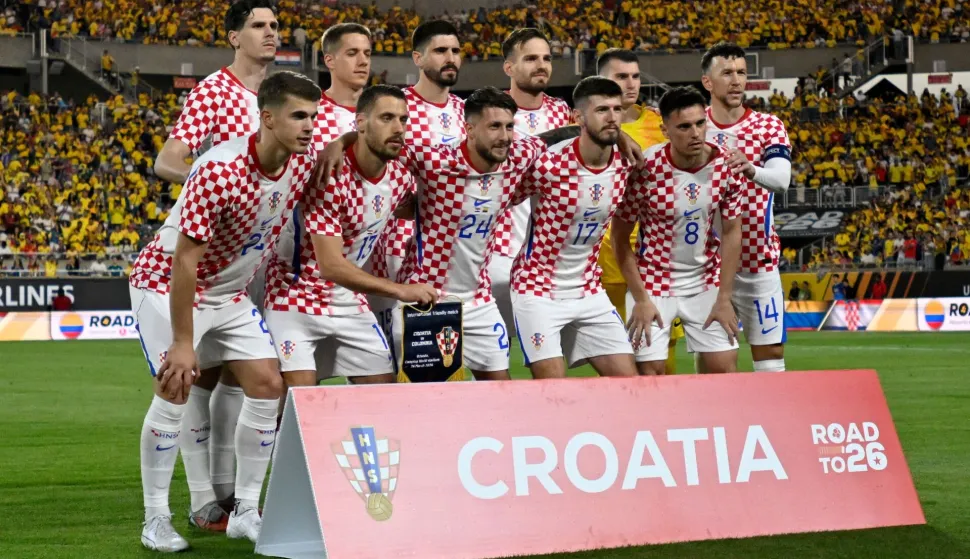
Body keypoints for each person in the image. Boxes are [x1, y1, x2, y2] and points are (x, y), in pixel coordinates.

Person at [129, 71, 320, 551]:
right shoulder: (218, 169)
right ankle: (155, 518)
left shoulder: (302, 162)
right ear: (268, 117)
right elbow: (184, 258)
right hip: (167, 283)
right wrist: (183, 341)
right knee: (175, 385)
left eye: (313, 117)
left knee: (268, 385)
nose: (309, 126)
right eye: (299, 116)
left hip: (229, 293)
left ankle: (247, 512)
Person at [152, 0, 280, 525]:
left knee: (245, 378)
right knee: (201, 377)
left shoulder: (282, 94)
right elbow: (167, 161)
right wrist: (221, 185)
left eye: (275, 26)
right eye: (258, 25)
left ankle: (231, 494)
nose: (270, 33)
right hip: (215, 250)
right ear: (234, 36)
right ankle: (205, 497)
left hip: (264, 252)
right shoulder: (215, 91)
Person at [322, 87, 547, 380]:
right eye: (494, 126)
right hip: (427, 298)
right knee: (429, 401)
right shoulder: (434, 161)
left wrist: (619, 134)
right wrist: (341, 142)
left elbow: (555, 139)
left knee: (500, 389)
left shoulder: (519, 153)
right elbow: (379, 142)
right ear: (469, 129)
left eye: (509, 127)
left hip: (479, 299)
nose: (504, 136)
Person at [264, 86, 433, 388]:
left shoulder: (400, 174)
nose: (398, 128)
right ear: (361, 123)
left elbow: (409, 207)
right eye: (387, 118)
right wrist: (400, 290)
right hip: (295, 298)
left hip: (349, 301)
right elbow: (331, 265)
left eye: (403, 120)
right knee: (298, 403)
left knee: (383, 394)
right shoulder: (330, 174)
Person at [264, 22, 374, 383]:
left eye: (367, 54)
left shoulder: (380, 115)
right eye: (352, 53)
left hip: (364, 273)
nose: (362, 61)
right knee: (289, 392)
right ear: (329, 60)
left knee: (382, 388)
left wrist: (345, 139)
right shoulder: (309, 112)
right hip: (300, 274)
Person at [509, 77, 637, 379]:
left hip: (589, 289)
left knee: (630, 386)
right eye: (602, 109)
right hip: (537, 288)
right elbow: (503, 198)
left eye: (617, 109)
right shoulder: (548, 165)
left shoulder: (627, 164)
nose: (612, 117)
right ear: (578, 117)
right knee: (553, 389)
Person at [613, 86, 742, 376]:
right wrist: (641, 299)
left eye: (700, 123)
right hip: (652, 283)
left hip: (704, 282)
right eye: (684, 126)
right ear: (665, 130)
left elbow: (733, 232)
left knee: (725, 372)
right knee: (650, 373)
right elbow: (620, 239)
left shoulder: (726, 166)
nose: (695, 133)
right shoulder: (644, 169)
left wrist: (724, 298)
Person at [369, 20, 466, 339]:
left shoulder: (466, 112)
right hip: (398, 244)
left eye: (455, 50)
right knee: (395, 354)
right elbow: (371, 166)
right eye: (440, 51)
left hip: (449, 250)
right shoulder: (396, 108)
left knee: (441, 354)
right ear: (417, 58)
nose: (450, 57)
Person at [702, 42, 793, 373]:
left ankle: (771, 425)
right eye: (727, 73)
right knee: (717, 362)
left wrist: (751, 168)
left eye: (741, 72)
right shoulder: (695, 128)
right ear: (707, 82)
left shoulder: (767, 125)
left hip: (758, 261)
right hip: (707, 266)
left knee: (770, 356)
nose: (737, 80)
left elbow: (782, 180)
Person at [595, 48, 685, 375]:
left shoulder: (660, 124)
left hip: (655, 257)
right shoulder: (580, 125)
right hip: (603, 259)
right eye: (621, 77)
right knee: (616, 356)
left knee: (660, 351)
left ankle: (664, 420)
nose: (631, 83)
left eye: (635, 76)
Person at [488, 28, 572, 338]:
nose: (541, 65)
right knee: (492, 353)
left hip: (547, 255)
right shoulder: (490, 113)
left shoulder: (562, 113)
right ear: (508, 68)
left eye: (547, 58)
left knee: (547, 352)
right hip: (497, 251)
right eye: (531, 58)